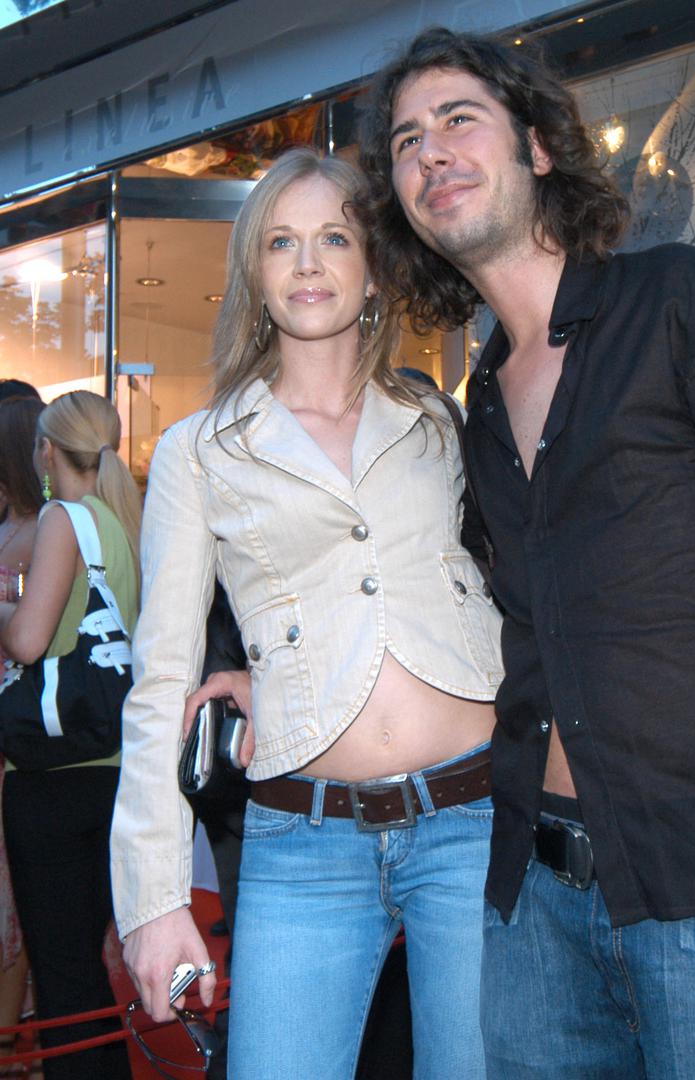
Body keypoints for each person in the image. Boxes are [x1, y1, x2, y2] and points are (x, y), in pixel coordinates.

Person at [356, 27, 695, 1079]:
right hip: (536, 907)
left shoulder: (687, 300)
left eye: (459, 119)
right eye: (407, 140)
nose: (431, 151)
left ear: (537, 147)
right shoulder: (477, 401)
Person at [110, 147, 503, 1080]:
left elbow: (504, 586)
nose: (308, 262)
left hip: (475, 821)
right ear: (253, 272)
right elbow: (160, 679)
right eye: (280, 242)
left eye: (335, 238)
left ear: (373, 270)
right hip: (303, 839)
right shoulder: (199, 451)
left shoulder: (436, 424)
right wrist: (154, 902)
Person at [0, 390, 140, 1080]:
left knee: (64, 978)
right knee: (85, 969)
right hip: (113, 766)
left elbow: (28, 642)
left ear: (48, 450)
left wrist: (5, 607)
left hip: (52, 773)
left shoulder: (65, 517)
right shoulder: (122, 521)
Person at [0, 396, 43, 1067]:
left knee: (12, 902)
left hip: (19, 735)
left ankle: (10, 1045)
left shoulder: (45, 534)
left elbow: (33, 640)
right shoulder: (18, 528)